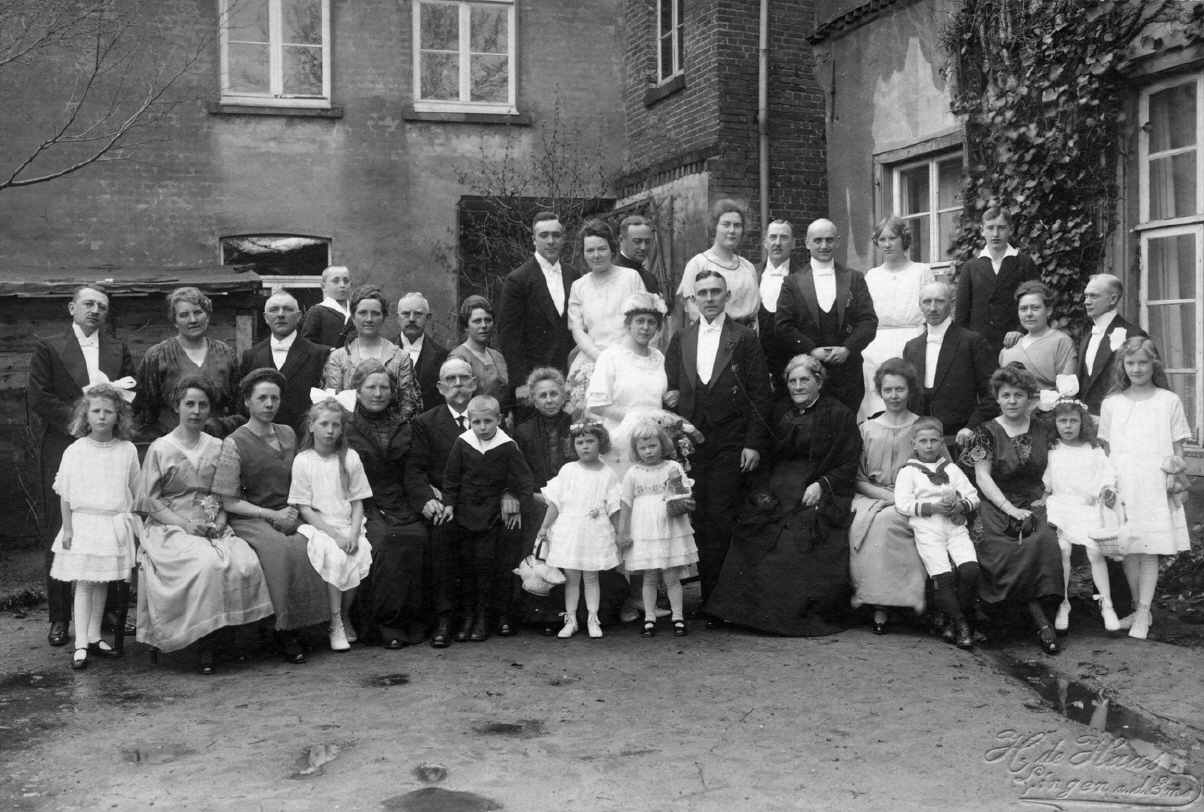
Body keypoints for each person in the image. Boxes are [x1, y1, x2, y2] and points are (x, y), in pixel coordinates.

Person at [706, 355, 861, 636]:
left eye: (804, 380)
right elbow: (764, 456)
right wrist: (763, 487)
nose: (797, 386)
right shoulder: (778, 411)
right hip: (776, 484)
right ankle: (739, 614)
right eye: (792, 381)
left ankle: (786, 617)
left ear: (819, 381)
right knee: (752, 530)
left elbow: (848, 463)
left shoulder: (839, 414)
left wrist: (822, 484)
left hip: (815, 486)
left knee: (796, 539)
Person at [135, 375, 273, 674]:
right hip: (170, 526)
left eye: (203, 405)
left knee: (244, 560)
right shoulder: (161, 448)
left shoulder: (218, 446)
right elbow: (150, 501)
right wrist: (185, 525)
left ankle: (229, 636)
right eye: (190, 404)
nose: (196, 411)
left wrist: (219, 521)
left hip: (211, 523)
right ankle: (204, 643)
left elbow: (221, 494)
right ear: (177, 407)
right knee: (206, 564)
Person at [27, 283, 135, 648]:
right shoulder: (49, 347)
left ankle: (109, 613)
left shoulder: (118, 348)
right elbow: (39, 396)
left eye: (102, 306)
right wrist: (79, 424)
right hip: (64, 441)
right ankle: (60, 616)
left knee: (111, 521)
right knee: (62, 526)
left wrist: (104, 427)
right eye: (88, 303)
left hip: (107, 444)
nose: (95, 310)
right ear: (71, 308)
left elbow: (129, 395)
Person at [664, 270, 772, 621]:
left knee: (722, 516)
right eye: (702, 293)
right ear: (693, 299)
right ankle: (706, 598)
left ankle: (720, 602)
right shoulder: (681, 337)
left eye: (715, 292)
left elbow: (760, 393)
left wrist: (753, 443)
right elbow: (670, 387)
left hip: (730, 440)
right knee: (698, 515)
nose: (709, 298)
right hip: (691, 445)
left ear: (727, 296)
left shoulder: (744, 338)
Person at [211, 368, 329, 664]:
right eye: (262, 398)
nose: (269, 404)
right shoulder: (234, 442)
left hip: (290, 511)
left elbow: (302, 478)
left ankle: (313, 624)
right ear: (247, 402)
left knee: (310, 544)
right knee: (281, 550)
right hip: (252, 517)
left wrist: (295, 510)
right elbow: (228, 499)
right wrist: (270, 514)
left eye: (274, 398)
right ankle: (283, 630)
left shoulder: (288, 433)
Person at [960, 364, 1065, 655]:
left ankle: (1041, 613)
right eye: (1006, 395)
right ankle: (1033, 619)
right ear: (997, 397)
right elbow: (982, 477)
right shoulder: (985, 432)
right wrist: (1008, 509)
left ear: (1029, 397)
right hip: (994, 501)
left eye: (1019, 395)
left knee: (1044, 540)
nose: (1012, 401)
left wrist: (1047, 497)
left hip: (1035, 499)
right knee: (998, 546)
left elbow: (1059, 465)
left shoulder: (1043, 428)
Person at [1099, 337, 1194, 640]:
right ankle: (1138, 608)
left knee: (1149, 549)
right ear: (1122, 366)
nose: (1137, 369)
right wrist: (1107, 485)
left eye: (1143, 362)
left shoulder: (1168, 401)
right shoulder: (1112, 403)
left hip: (1153, 483)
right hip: (1124, 482)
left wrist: (1175, 470)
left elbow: (1178, 449)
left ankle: (1143, 610)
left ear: (1154, 363)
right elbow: (1107, 451)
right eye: (1130, 363)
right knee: (1128, 547)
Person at [50, 384, 140, 670]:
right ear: (85, 414)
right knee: (85, 583)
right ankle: (80, 644)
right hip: (84, 524)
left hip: (112, 524)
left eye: (108, 411)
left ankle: (93, 637)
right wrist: (68, 530)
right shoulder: (76, 450)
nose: (102, 416)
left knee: (102, 582)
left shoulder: (126, 450)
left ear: (119, 416)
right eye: (96, 410)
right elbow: (65, 494)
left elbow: (136, 488)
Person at [344, 359, 429, 649]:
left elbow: (414, 470)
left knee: (418, 536)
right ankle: (384, 625)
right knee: (383, 542)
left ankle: (412, 621)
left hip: (399, 500)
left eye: (384, 387)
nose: (378, 393)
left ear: (393, 392)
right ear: (357, 391)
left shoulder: (403, 426)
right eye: (371, 387)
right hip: (360, 502)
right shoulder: (344, 426)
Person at [440, 395, 535, 642]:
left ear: (499, 420)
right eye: (477, 422)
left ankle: (483, 616)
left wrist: (521, 507)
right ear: (469, 422)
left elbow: (525, 479)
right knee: (466, 565)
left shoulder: (507, 445)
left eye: (488, 421)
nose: (482, 427)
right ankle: (468, 616)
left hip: (492, 514)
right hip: (465, 512)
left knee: (485, 563)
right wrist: (448, 504)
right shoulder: (463, 442)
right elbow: (450, 477)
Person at [849, 358, 930, 636]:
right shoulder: (867, 429)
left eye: (900, 389)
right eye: (888, 390)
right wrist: (888, 496)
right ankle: (879, 604)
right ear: (880, 392)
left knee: (898, 520)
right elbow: (858, 479)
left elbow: (940, 471)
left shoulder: (922, 427)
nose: (894, 396)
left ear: (910, 390)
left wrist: (906, 497)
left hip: (916, 498)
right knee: (877, 523)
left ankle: (909, 601)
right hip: (872, 497)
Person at [290, 396, 374, 652]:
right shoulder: (303, 460)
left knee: (358, 554)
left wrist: (353, 533)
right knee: (336, 558)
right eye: (324, 424)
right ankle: (335, 621)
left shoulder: (350, 458)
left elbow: (358, 501)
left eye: (336, 425)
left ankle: (344, 614)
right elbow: (304, 507)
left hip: (348, 523)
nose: (330, 430)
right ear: (311, 426)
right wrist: (335, 536)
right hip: (320, 525)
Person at [404, 357, 477, 647]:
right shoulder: (425, 423)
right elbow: (414, 469)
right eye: (450, 379)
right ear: (439, 387)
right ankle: (445, 617)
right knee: (442, 535)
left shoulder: (487, 415)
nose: (458, 384)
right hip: (444, 503)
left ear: (474, 383)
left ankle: (478, 614)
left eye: (463, 378)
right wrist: (425, 498)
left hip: (483, 503)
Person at [775, 218, 879, 415]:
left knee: (845, 423)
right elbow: (783, 326)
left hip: (848, 373)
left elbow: (869, 321)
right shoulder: (792, 282)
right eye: (818, 240)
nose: (824, 246)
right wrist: (811, 350)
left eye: (829, 240)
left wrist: (848, 348)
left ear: (838, 241)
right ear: (807, 243)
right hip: (808, 373)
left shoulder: (855, 278)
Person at [894, 417, 981, 650]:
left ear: (942, 442)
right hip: (927, 528)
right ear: (914, 444)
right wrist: (932, 507)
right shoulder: (909, 472)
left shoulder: (951, 469)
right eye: (923, 441)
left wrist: (961, 505)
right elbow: (902, 504)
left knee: (970, 571)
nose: (929, 446)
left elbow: (973, 496)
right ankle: (962, 625)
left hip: (954, 525)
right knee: (944, 577)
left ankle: (953, 622)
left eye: (934, 441)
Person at [536, 422, 622, 639]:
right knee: (571, 577)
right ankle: (571, 619)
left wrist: (620, 532)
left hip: (594, 530)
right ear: (573, 445)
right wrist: (545, 526)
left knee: (591, 577)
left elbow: (613, 507)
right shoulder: (568, 470)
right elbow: (556, 503)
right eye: (580, 442)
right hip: (571, 530)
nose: (585, 446)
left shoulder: (608, 473)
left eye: (590, 441)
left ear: (600, 443)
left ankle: (593, 618)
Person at [1043, 397, 1121, 634]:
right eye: (1063, 421)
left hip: (1087, 506)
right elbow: (1048, 483)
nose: (1068, 426)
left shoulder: (1093, 449)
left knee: (1094, 551)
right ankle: (1064, 603)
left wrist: (1099, 492)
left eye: (1073, 421)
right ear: (1055, 422)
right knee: (1063, 549)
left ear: (1082, 422)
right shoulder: (1053, 450)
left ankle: (1106, 604)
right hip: (1061, 505)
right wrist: (1043, 498)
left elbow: (1106, 476)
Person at [617, 420, 699, 638]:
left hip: (669, 528)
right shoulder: (633, 472)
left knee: (671, 576)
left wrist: (676, 484)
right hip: (644, 530)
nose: (648, 451)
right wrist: (622, 531)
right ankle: (650, 617)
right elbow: (625, 502)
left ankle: (678, 617)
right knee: (649, 576)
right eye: (643, 448)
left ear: (662, 444)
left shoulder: (672, 467)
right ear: (636, 450)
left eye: (652, 446)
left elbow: (684, 494)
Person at [497, 212, 581, 404]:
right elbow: (509, 337)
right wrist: (520, 383)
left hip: (570, 373)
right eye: (544, 235)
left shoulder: (573, 274)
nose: (550, 241)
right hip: (534, 381)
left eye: (556, 235)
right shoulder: (518, 279)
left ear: (563, 239)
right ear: (534, 239)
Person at [136, 287, 241, 438]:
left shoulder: (226, 353)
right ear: (175, 321)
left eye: (198, 312)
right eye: (184, 315)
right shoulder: (157, 355)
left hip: (217, 440)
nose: (193, 320)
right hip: (170, 439)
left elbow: (236, 406)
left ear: (207, 316)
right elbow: (146, 412)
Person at [902, 281, 998, 448]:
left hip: (962, 438)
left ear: (952, 303)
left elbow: (993, 392)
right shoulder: (912, 347)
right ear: (920, 305)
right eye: (927, 302)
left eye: (939, 301)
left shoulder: (972, 342)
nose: (933, 308)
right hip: (921, 441)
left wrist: (971, 427)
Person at [860, 217, 935, 418]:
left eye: (892, 238)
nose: (887, 244)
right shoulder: (872, 276)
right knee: (877, 399)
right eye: (882, 239)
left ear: (904, 239)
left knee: (910, 396)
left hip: (913, 341)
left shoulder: (921, 271)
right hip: (877, 345)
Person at [322, 285, 423, 420]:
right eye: (363, 313)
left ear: (383, 317)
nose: (369, 319)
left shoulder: (400, 357)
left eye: (375, 313)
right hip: (349, 428)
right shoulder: (338, 357)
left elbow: (407, 405)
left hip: (392, 428)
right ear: (353, 317)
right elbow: (334, 404)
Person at [954, 207, 1041, 357]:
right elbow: (962, 315)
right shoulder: (970, 267)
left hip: (1016, 343)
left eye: (1001, 228)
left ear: (1011, 230)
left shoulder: (1024, 263)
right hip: (980, 347)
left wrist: (1020, 331)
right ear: (982, 231)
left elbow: (1038, 304)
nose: (995, 234)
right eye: (990, 228)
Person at [241, 291, 331, 435]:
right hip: (262, 438)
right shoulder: (251, 355)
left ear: (299, 316)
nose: (281, 314)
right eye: (274, 309)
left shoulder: (320, 354)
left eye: (288, 309)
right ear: (265, 317)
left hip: (304, 439)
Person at [567, 218, 648, 376]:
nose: (596, 255)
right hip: (592, 358)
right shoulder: (578, 286)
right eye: (590, 250)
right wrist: (600, 357)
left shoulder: (630, 278)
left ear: (612, 249)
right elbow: (577, 329)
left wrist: (621, 357)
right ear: (583, 254)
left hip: (628, 356)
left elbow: (644, 318)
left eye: (602, 249)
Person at [676, 199, 760, 326]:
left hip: (746, 336)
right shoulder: (698, 263)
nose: (732, 230)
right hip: (712, 333)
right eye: (726, 224)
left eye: (737, 225)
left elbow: (754, 316)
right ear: (714, 227)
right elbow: (694, 312)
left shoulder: (748, 267)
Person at [998, 280, 1077, 407]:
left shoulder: (1061, 342)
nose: (1029, 314)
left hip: (1048, 414)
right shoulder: (1009, 348)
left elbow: (1067, 395)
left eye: (1035, 308)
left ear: (1048, 310)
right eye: (1023, 309)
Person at [1078, 274, 1146, 415]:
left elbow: (1142, 386)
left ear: (1113, 299)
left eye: (1094, 296)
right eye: (1086, 296)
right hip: (1087, 422)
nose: (1086, 302)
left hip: (1119, 419)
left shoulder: (1133, 334)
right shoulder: (1087, 338)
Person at [450, 295, 512, 414]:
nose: (484, 325)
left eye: (488, 320)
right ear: (466, 326)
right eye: (477, 321)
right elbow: (459, 402)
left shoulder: (497, 356)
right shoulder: (458, 358)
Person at [755, 219, 798, 387]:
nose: (778, 243)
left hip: (792, 360)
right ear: (765, 242)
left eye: (784, 237)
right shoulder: (752, 274)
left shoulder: (804, 276)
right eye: (773, 237)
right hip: (757, 359)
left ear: (793, 243)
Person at [398, 292, 449, 411]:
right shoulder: (385, 351)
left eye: (418, 314)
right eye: (406, 314)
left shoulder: (443, 356)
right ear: (398, 318)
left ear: (428, 317)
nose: (411, 319)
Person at [301, 265, 353, 349]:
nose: (342, 285)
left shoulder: (356, 311)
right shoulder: (317, 311)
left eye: (346, 281)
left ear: (351, 285)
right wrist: (330, 351)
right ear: (323, 287)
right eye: (336, 281)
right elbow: (307, 344)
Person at [613, 214, 661, 296]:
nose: (643, 247)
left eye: (647, 241)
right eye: (637, 241)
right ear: (621, 240)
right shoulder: (611, 275)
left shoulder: (650, 278)